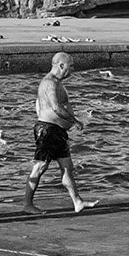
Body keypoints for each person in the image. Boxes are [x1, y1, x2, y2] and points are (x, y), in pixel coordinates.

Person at [24, 51, 89, 213]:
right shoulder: (49, 83)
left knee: (67, 167)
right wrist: (75, 121)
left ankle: (77, 202)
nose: (72, 69)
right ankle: (28, 205)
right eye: (71, 66)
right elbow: (55, 107)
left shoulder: (56, 83)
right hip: (48, 131)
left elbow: (39, 104)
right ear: (61, 65)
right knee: (40, 167)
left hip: (57, 131)